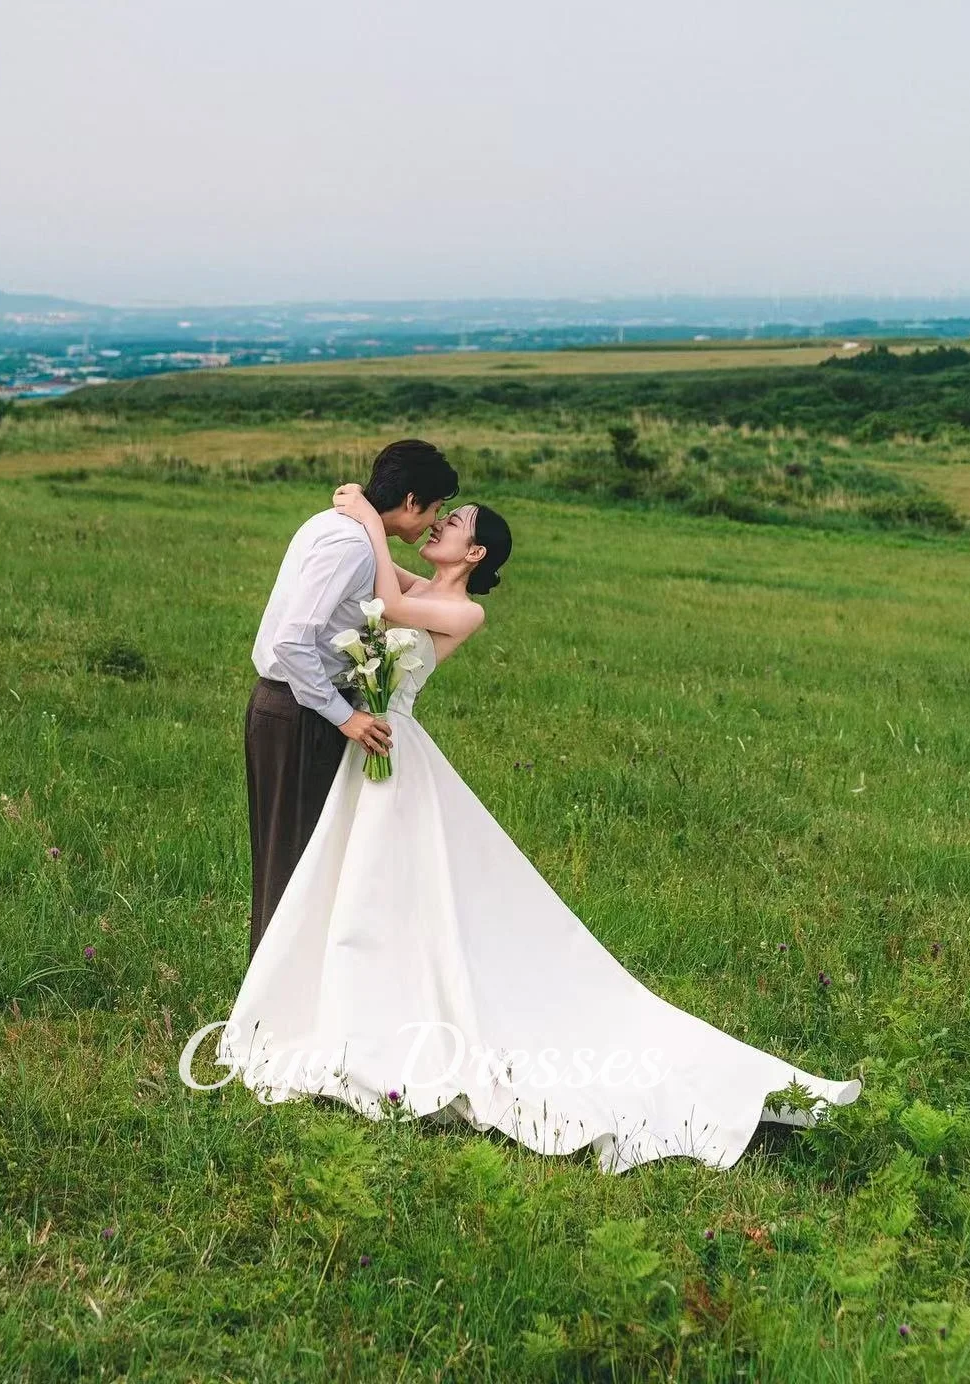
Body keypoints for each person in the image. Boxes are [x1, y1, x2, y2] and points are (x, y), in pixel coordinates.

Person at [218, 486, 861, 1173]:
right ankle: (346, 1004)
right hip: (368, 749)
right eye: (441, 514)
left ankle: (383, 1025)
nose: (438, 525)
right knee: (363, 889)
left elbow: (394, 607)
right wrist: (369, 531)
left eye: (454, 523)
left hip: (391, 750)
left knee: (396, 887)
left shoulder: (464, 609)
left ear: (477, 552)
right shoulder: (420, 581)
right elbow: (387, 585)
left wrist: (372, 519)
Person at [246, 440, 459, 957]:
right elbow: (292, 642)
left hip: (296, 708)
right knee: (293, 865)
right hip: (302, 713)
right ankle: (272, 1007)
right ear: (411, 501)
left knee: (307, 864)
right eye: (433, 509)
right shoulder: (351, 544)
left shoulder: (340, 528)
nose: (433, 521)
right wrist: (345, 718)